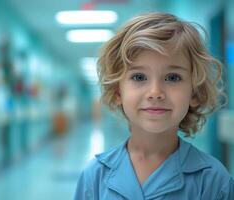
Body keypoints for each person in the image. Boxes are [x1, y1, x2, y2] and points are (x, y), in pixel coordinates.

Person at [74, 12, 233, 199]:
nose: (155, 92)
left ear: (195, 92)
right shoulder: (95, 176)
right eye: (139, 77)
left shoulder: (213, 181)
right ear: (118, 92)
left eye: (173, 77)